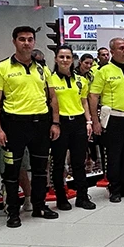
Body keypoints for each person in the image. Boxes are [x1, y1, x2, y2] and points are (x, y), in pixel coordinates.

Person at [0, 26, 59, 228]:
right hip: (14, 125)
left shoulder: (42, 68)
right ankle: (13, 211)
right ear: (14, 41)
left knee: (39, 170)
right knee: (11, 172)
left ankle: (39, 206)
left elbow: (52, 97)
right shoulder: (1, 68)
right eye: (22, 39)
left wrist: (55, 122)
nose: (26, 43)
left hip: (41, 124)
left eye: (30, 39)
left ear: (34, 42)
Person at [88, 38, 124, 203]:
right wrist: (95, 121)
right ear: (112, 51)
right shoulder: (103, 71)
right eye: (121, 48)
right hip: (114, 120)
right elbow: (93, 96)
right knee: (114, 156)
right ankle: (115, 188)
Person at [47, 46, 95, 211]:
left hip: (79, 123)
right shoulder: (50, 79)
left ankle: (82, 196)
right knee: (59, 163)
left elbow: (84, 102)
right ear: (56, 59)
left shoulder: (81, 80)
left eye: (68, 57)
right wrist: (55, 123)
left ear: (72, 59)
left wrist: (89, 122)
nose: (65, 60)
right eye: (61, 57)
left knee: (78, 162)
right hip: (60, 124)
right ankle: (61, 198)